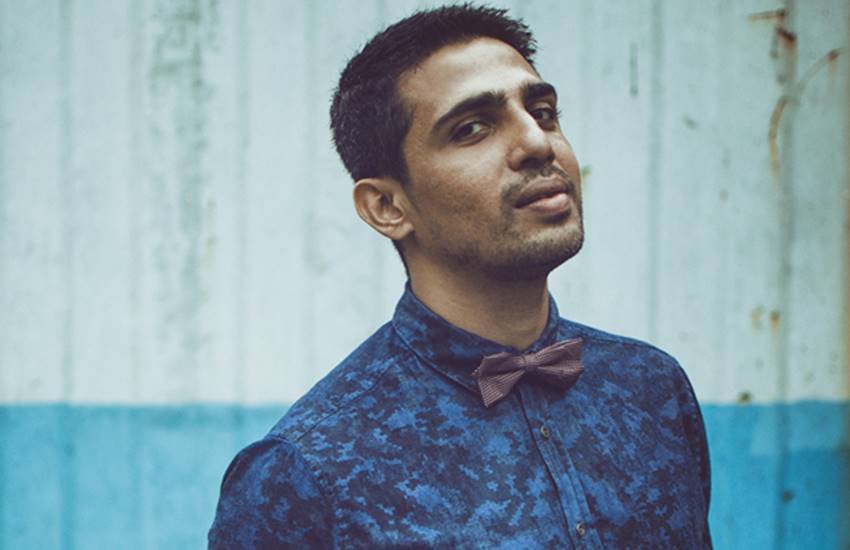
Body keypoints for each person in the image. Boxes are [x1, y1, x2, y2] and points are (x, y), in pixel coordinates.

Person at [209, 4, 711, 548]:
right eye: (472, 129)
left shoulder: (651, 389)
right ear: (386, 206)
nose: (538, 143)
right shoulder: (304, 472)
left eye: (543, 112)